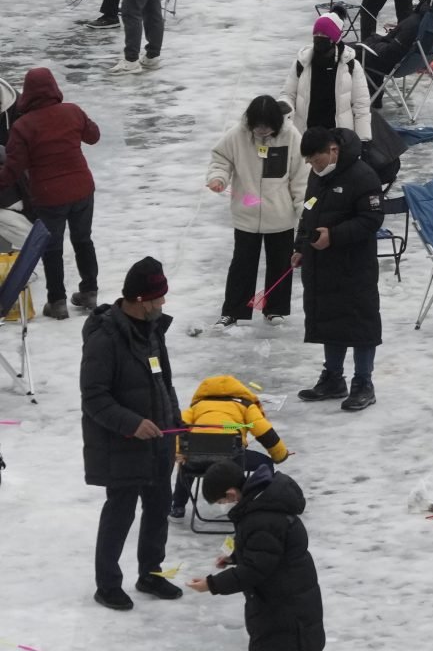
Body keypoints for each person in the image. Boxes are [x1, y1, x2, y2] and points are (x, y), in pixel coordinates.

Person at [187, 457, 327, 651]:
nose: (223, 506)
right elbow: (262, 552)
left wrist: (213, 584)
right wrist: (236, 555)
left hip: (287, 601)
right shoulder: (259, 506)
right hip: (275, 599)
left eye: (221, 500)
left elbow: (257, 568)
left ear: (232, 493)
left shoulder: (263, 515)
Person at [81, 258, 182, 612]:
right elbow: (94, 397)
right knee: (120, 513)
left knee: (158, 509)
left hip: (159, 440)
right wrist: (131, 424)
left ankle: (150, 573)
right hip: (120, 444)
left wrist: (177, 425)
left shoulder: (153, 329)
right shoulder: (104, 339)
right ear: (140, 299)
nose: (163, 303)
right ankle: (107, 584)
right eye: (158, 297)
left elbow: (164, 382)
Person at [293, 126, 383, 412]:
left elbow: (371, 219)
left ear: (333, 150)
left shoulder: (364, 176)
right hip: (322, 265)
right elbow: (309, 211)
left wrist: (334, 235)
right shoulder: (317, 176)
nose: (311, 165)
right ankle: (333, 377)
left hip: (354, 266)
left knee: (360, 322)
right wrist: (300, 246)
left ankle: (363, 383)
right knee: (329, 319)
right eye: (308, 161)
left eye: (315, 160)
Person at [5, 65, 102, 318]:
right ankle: (89, 292)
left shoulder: (22, 126)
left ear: (27, 94)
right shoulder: (72, 111)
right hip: (82, 189)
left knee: (52, 249)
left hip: (49, 197)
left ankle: (57, 302)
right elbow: (93, 136)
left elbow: (13, 170)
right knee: (83, 240)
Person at [206, 95, 306, 326]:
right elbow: (220, 158)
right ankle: (233, 310)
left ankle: (275, 309)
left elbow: (301, 179)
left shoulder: (291, 137)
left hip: (280, 216)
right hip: (247, 215)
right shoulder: (236, 135)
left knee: (281, 263)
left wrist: (304, 213)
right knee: (242, 263)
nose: (261, 131)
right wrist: (218, 177)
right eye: (257, 127)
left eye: (267, 127)